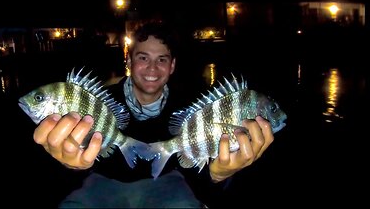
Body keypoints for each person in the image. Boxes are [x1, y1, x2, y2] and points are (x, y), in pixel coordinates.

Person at [33, 22, 275, 208]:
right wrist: (67, 165)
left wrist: (219, 175)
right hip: (102, 182)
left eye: (162, 59)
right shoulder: (100, 101)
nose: (152, 68)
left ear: (172, 66)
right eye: (143, 58)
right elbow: (56, 183)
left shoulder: (192, 108)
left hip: (169, 184)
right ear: (128, 61)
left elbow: (202, 185)